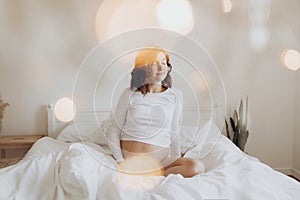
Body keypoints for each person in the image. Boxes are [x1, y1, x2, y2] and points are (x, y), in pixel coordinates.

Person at [107, 46, 205, 178]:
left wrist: (175, 158)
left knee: (197, 167)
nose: (161, 67)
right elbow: (114, 130)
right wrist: (120, 161)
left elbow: (174, 131)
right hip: (131, 162)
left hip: (160, 163)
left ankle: (155, 175)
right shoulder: (130, 94)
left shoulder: (175, 95)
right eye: (155, 63)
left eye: (164, 63)